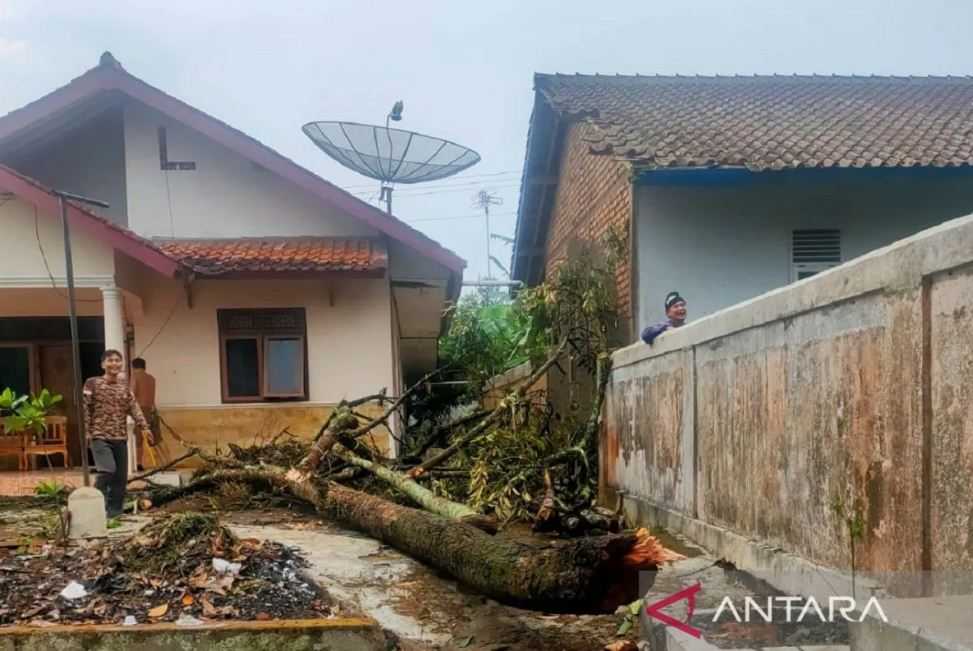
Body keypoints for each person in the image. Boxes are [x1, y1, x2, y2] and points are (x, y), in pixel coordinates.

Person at [83, 349, 151, 518]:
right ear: (103, 364)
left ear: (121, 365)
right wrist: (86, 431)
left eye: (117, 360)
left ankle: (114, 513)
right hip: (99, 436)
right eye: (110, 360)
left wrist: (145, 427)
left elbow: (134, 408)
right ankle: (94, 501)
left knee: (120, 479)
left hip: (120, 437)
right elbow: (85, 408)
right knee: (107, 470)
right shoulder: (92, 383)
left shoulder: (124, 389)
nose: (114, 363)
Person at [129, 357, 159, 471]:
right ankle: (154, 462)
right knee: (149, 437)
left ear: (133, 366)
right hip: (149, 409)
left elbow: (131, 395)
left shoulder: (135, 377)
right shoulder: (151, 379)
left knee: (137, 438)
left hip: (137, 410)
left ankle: (138, 463)